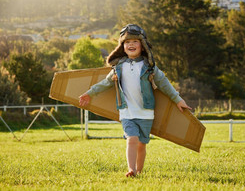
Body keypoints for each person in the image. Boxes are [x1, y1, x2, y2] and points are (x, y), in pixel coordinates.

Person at [79, 24, 191, 177]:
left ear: (142, 45)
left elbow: (164, 84)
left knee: (141, 145)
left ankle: (139, 171)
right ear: (122, 46)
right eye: (127, 42)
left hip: (145, 113)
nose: (130, 44)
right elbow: (105, 83)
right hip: (126, 112)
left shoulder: (149, 67)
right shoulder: (118, 67)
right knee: (132, 139)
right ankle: (131, 169)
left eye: (134, 41)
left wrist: (178, 100)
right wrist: (89, 93)